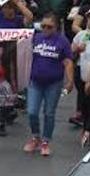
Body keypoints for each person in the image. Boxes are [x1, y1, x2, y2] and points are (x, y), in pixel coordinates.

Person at [25, 13, 75, 157]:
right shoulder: (36, 37)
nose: (46, 29)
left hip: (54, 83)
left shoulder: (62, 41)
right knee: (32, 111)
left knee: (49, 112)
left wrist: (70, 81)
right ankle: (35, 137)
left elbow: (68, 62)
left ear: (56, 27)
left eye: (49, 27)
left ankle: (45, 141)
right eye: (43, 26)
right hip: (35, 81)